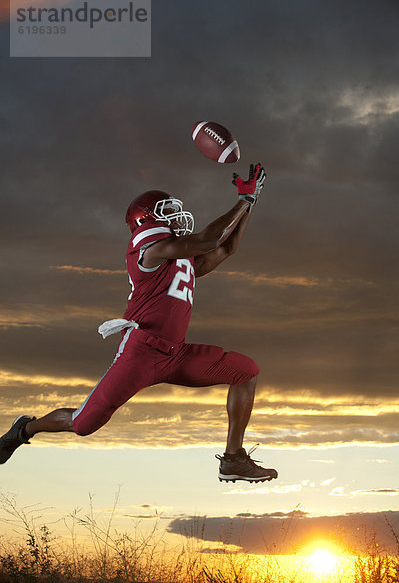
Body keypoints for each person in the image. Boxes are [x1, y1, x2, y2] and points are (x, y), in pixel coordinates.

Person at [0, 164, 278, 483]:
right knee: (83, 424)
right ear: (147, 220)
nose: (176, 217)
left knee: (246, 371)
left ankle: (233, 459)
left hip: (175, 354)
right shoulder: (150, 250)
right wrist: (243, 198)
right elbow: (209, 239)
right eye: (167, 212)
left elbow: (226, 247)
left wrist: (251, 203)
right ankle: (24, 428)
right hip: (141, 354)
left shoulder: (179, 258)